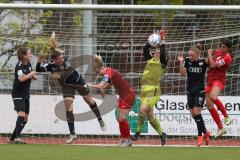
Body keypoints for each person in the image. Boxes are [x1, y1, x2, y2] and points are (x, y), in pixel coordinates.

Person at [36, 33, 106, 144]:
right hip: (66, 86)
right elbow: (39, 69)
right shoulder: (50, 65)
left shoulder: (65, 59)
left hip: (78, 81)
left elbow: (61, 56)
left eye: (61, 58)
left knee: (90, 101)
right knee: (68, 108)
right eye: (59, 59)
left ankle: (100, 119)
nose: (61, 60)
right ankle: (72, 134)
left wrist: (55, 49)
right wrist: (39, 60)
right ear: (54, 59)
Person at [89, 55, 136, 147]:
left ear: (102, 68)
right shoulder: (110, 71)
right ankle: (124, 139)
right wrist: (103, 90)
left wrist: (89, 85)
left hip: (128, 95)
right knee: (119, 118)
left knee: (121, 117)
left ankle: (128, 140)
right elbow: (110, 84)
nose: (99, 74)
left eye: (98, 72)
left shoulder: (108, 72)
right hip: (124, 95)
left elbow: (100, 85)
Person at [131, 30, 167, 146]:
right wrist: (151, 39)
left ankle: (137, 132)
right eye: (155, 51)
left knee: (142, 110)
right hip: (144, 91)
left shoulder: (162, 62)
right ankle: (162, 134)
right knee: (150, 116)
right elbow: (145, 49)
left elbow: (162, 52)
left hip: (154, 91)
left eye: (158, 52)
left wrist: (162, 40)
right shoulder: (149, 60)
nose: (156, 53)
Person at [178, 44, 211, 146]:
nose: (190, 57)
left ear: (198, 54)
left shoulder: (203, 62)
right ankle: (206, 132)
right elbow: (182, 73)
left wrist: (210, 54)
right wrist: (181, 62)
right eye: (189, 55)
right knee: (194, 114)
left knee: (197, 113)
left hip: (200, 91)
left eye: (192, 55)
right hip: (190, 91)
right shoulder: (187, 61)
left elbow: (213, 64)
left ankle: (200, 136)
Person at [9, 47, 37, 144]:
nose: (31, 55)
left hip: (26, 95)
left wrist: (33, 76)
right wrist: (31, 74)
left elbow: (32, 75)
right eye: (29, 53)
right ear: (24, 56)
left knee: (25, 119)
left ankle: (12, 139)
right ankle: (17, 138)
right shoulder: (19, 66)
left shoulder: (28, 64)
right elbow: (21, 79)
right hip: (18, 94)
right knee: (21, 114)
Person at [206, 39, 232, 138]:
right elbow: (209, 61)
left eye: (224, 47)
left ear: (229, 49)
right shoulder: (218, 52)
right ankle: (221, 128)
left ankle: (226, 116)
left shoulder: (228, 58)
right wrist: (208, 58)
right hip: (210, 79)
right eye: (221, 46)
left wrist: (209, 53)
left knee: (213, 96)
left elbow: (212, 64)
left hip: (219, 80)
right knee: (208, 105)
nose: (222, 48)